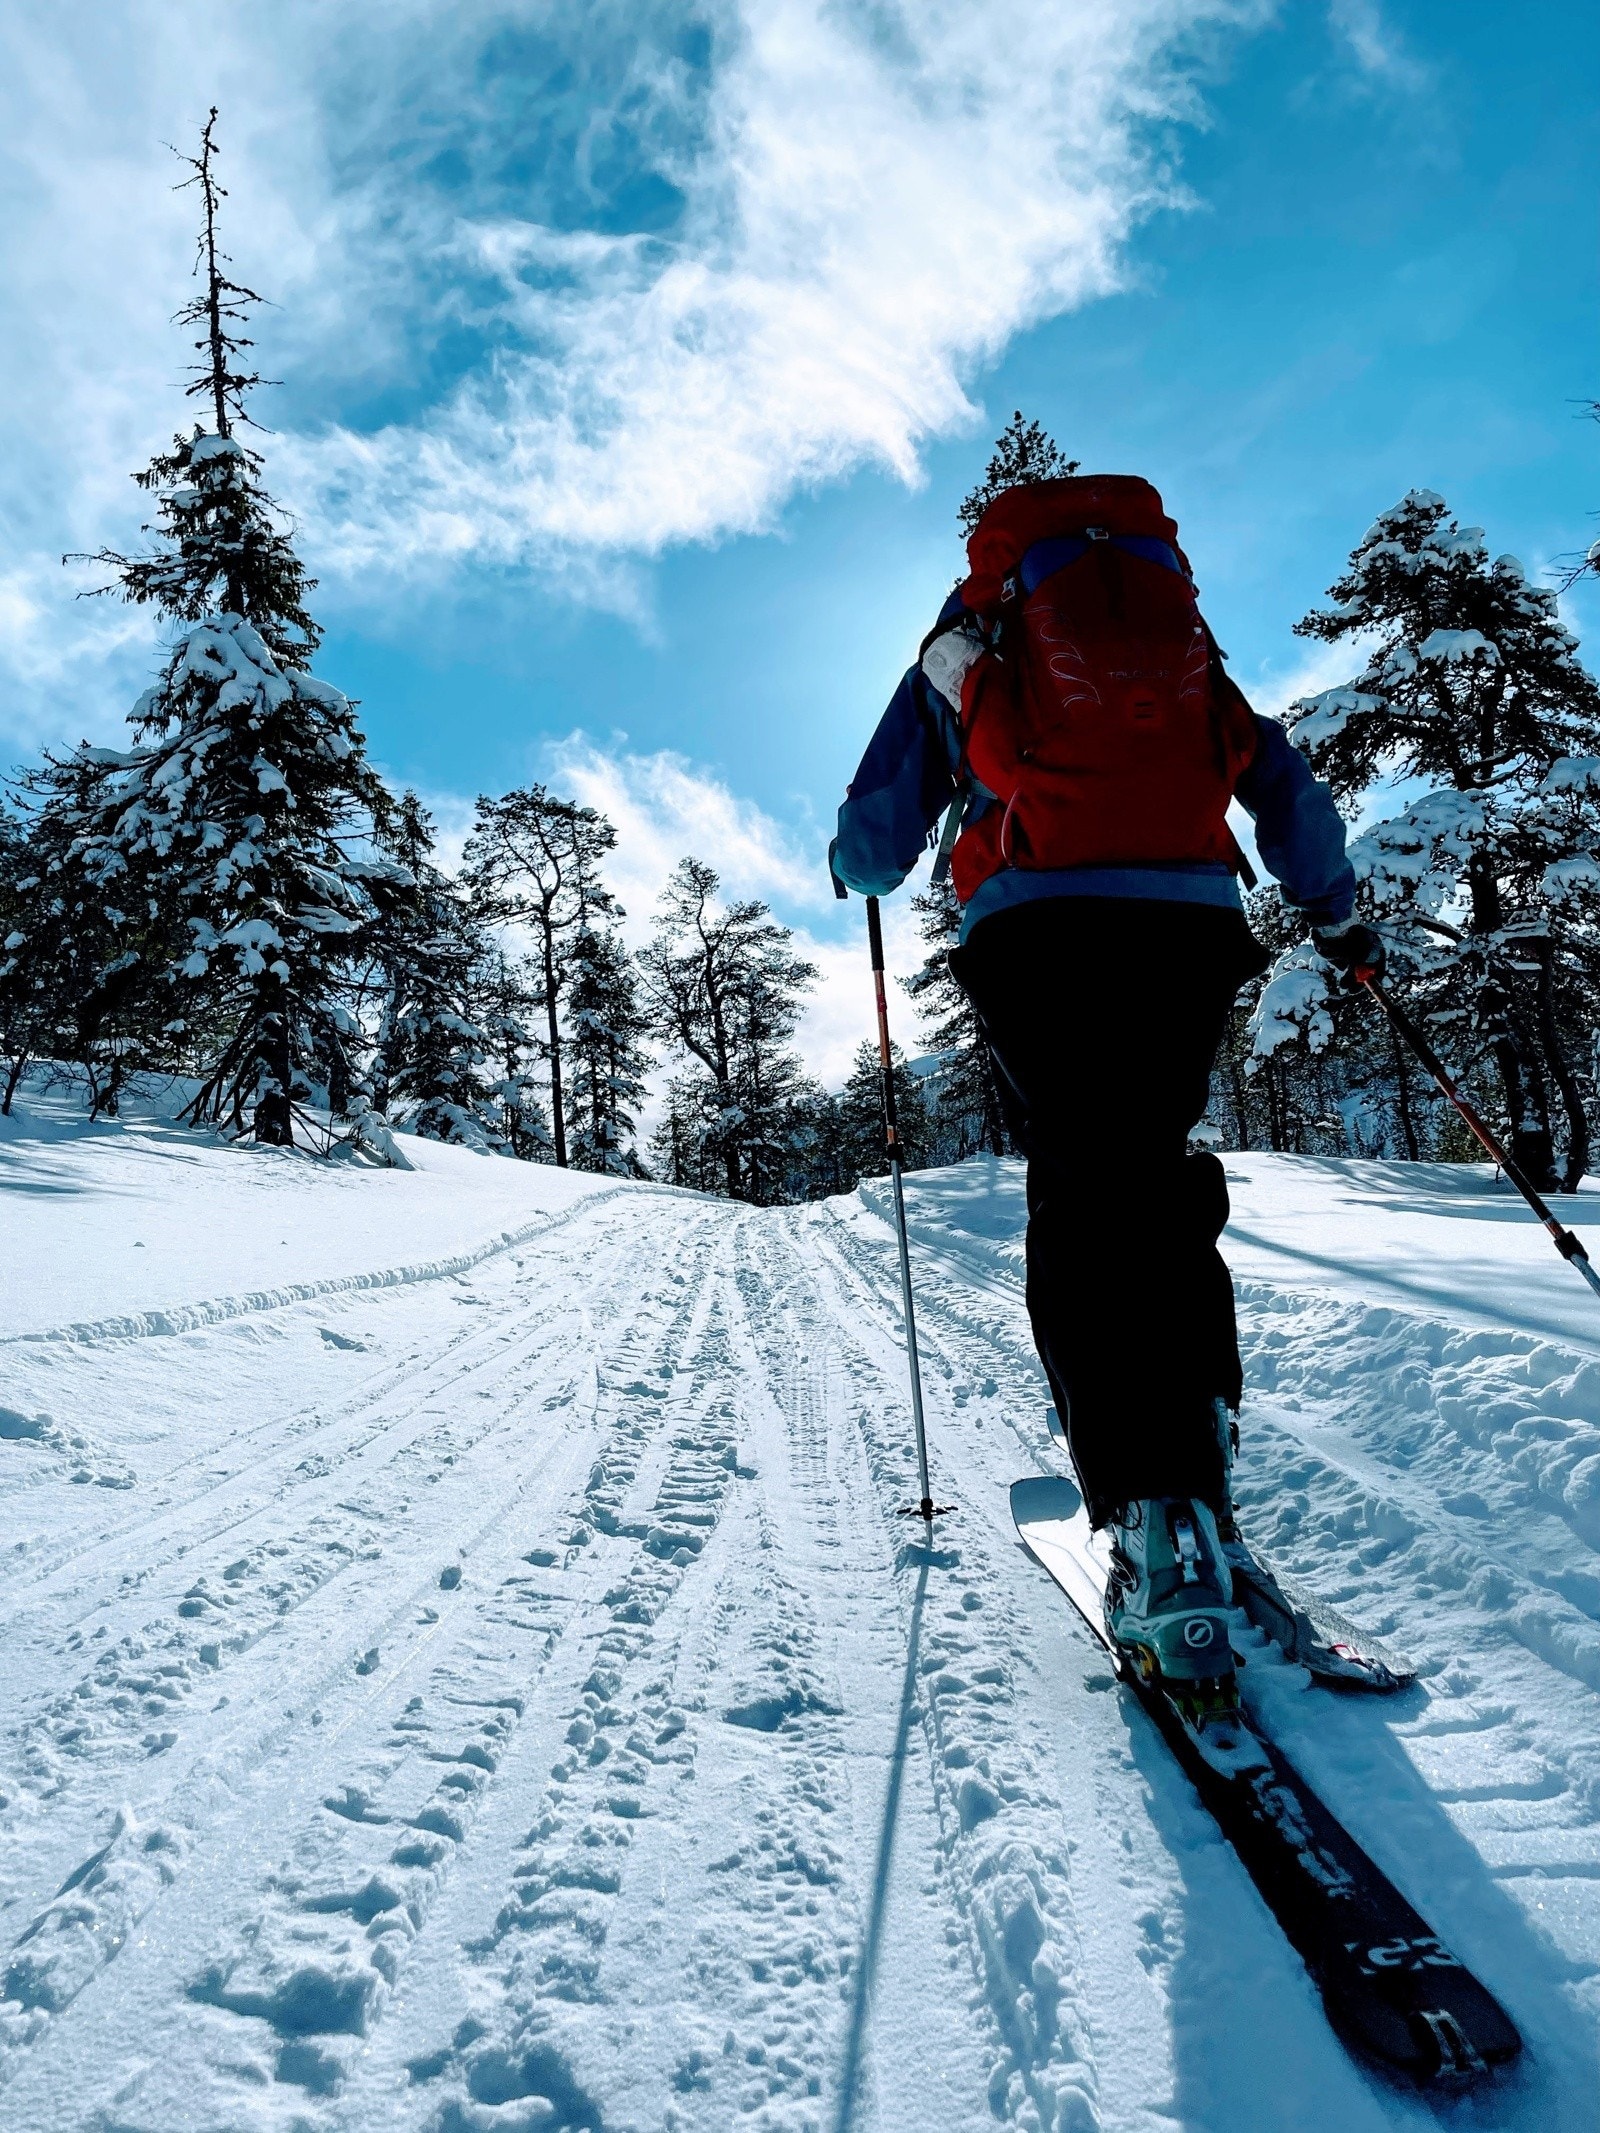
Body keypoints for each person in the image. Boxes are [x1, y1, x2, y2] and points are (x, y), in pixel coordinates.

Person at [830, 469, 1380, 1725]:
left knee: (1083, 1194)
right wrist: (1338, 919)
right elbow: (1279, 787)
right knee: (1157, 1179)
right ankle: (1196, 1460)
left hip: (1039, 936)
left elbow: (875, 844)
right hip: (1187, 927)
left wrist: (850, 852)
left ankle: (1151, 1516)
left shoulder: (964, 646)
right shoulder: (1179, 642)